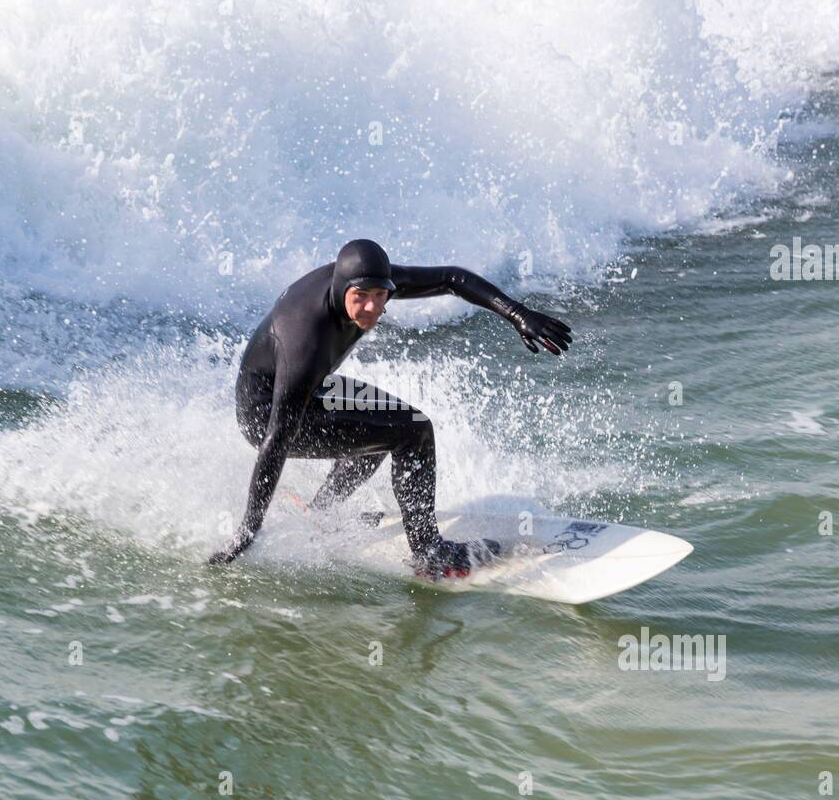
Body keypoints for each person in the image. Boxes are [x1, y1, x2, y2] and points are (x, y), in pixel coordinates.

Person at [209, 239, 572, 576]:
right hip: (265, 414)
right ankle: (428, 552)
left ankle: (320, 512)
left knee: (385, 423)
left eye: (380, 295)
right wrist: (246, 533)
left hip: (312, 390)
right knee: (413, 432)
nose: (371, 306)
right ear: (342, 290)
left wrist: (518, 314)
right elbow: (276, 438)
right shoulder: (304, 339)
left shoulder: (367, 280)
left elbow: (452, 278)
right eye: (361, 296)